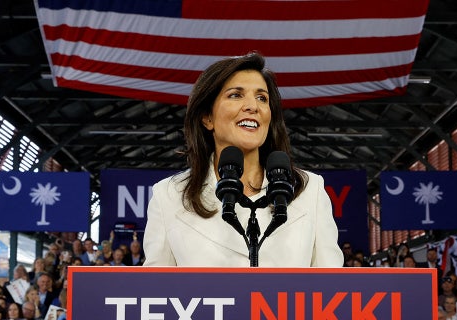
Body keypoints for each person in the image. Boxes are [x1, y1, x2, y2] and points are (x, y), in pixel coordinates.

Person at [142, 52, 343, 267]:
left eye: (261, 98)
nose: (252, 106)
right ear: (207, 118)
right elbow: (155, 293)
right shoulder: (169, 196)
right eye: (236, 95)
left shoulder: (310, 190)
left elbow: (331, 288)